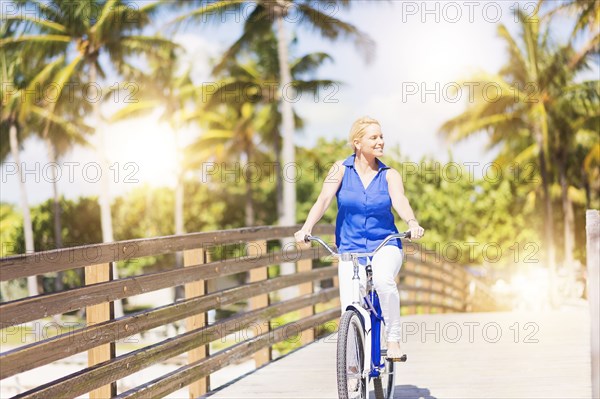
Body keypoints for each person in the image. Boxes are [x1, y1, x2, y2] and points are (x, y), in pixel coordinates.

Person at [294, 116, 424, 360]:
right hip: (350, 248)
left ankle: (393, 340)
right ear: (357, 143)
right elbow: (322, 200)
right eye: (373, 137)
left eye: (381, 136)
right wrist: (306, 228)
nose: (380, 141)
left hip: (384, 244)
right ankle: (353, 370)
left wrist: (412, 222)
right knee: (350, 308)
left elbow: (400, 201)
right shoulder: (340, 170)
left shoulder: (389, 175)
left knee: (384, 281)